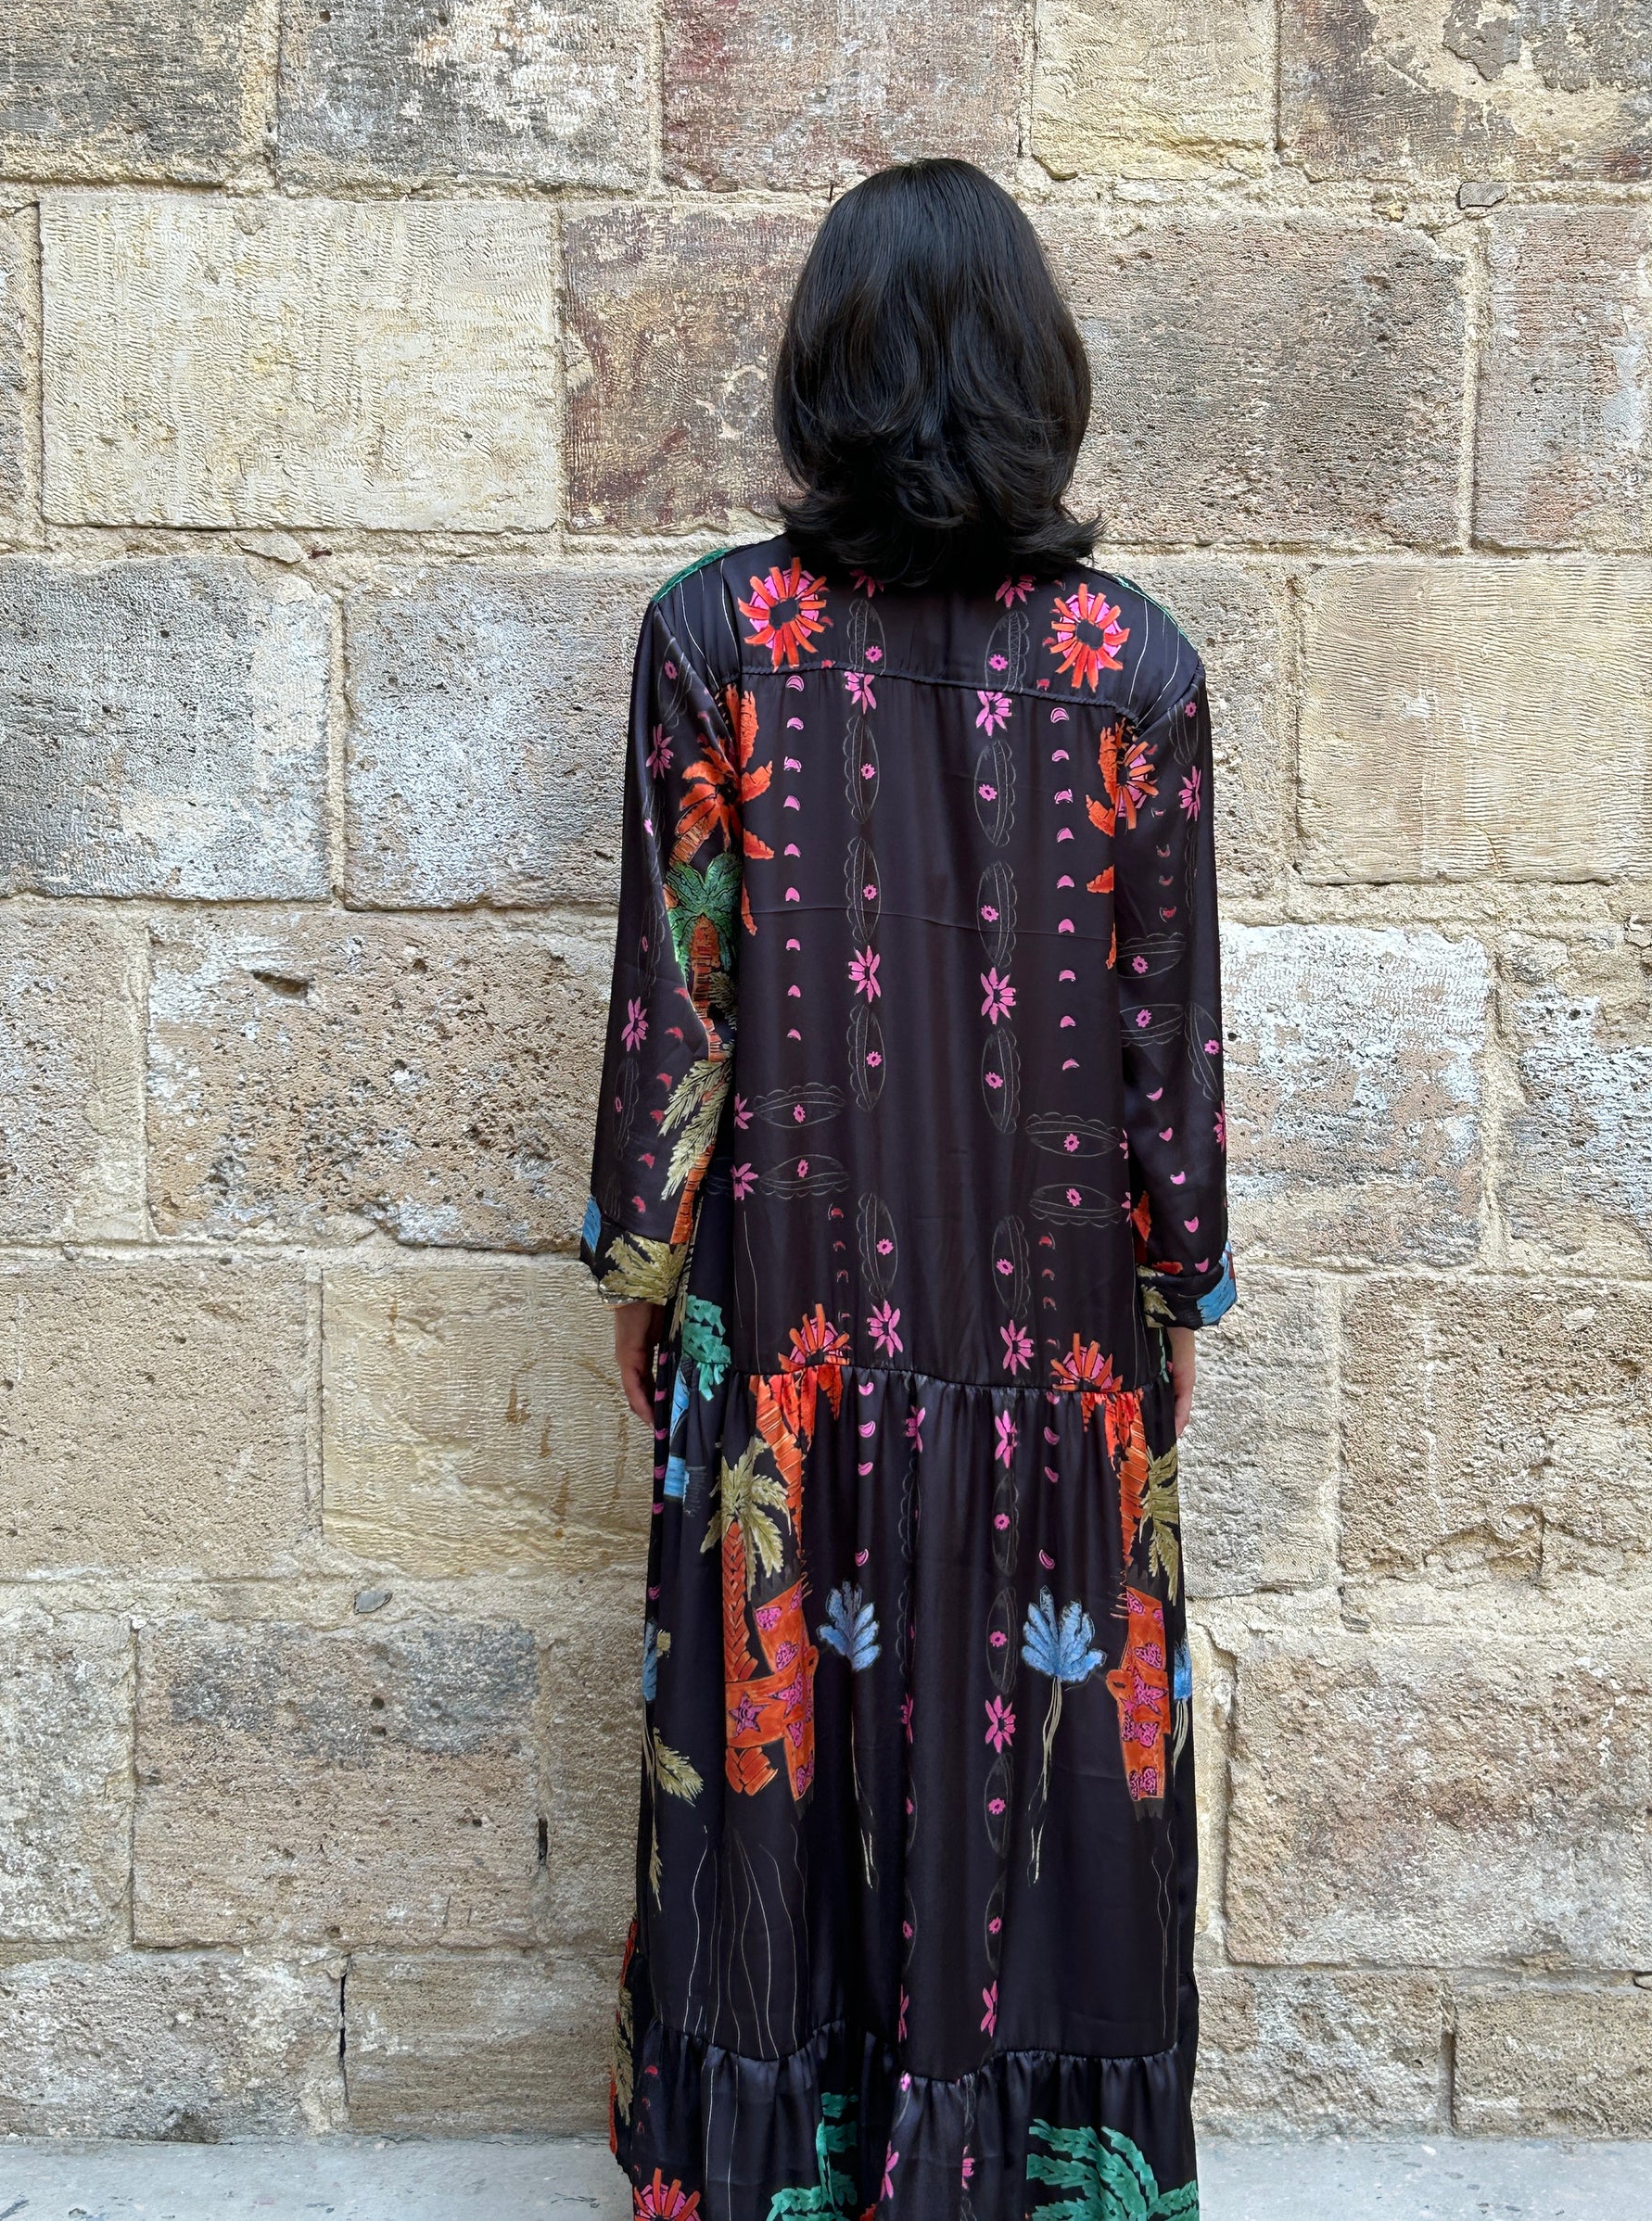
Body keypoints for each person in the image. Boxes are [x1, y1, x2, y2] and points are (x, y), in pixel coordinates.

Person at [577, 157, 1234, 2221]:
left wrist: (646, 1270)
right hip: (1061, 1344)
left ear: (823, 371)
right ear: (1042, 377)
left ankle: (780, 2166)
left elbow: (672, 1002)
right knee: (1056, 1753)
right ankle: (1034, 2167)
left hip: (785, 1317)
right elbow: (1168, 1037)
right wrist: (1180, 1286)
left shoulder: (714, 635)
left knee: (776, 1744)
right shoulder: (1137, 667)